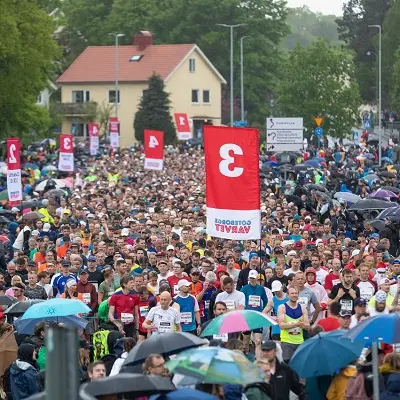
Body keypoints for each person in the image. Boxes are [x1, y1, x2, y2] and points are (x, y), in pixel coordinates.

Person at [241, 269, 269, 358]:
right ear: (248, 278)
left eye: (253, 278)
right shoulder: (244, 289)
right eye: (251, 278)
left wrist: (263, 311)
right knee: (245, 342)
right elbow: (240, 300)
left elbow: (266, 301)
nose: (252, 280)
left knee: (258, 341)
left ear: (257, 278)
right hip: (247, 317)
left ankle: (258, 361)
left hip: (257, 317)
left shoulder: (261, 289)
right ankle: (246, 360)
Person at [278, 287, 309, 363]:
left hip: (299, 342)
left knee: (299, 365)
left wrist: (303, 326)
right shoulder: (282, 307)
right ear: (288, 295)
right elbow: (281, 326)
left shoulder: (302, 308)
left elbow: (308, 326)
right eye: (292, 293)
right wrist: (296, 324)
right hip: (287, 342)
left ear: (298, 295)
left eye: (296, 293)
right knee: (288, 365)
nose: (294, 295)